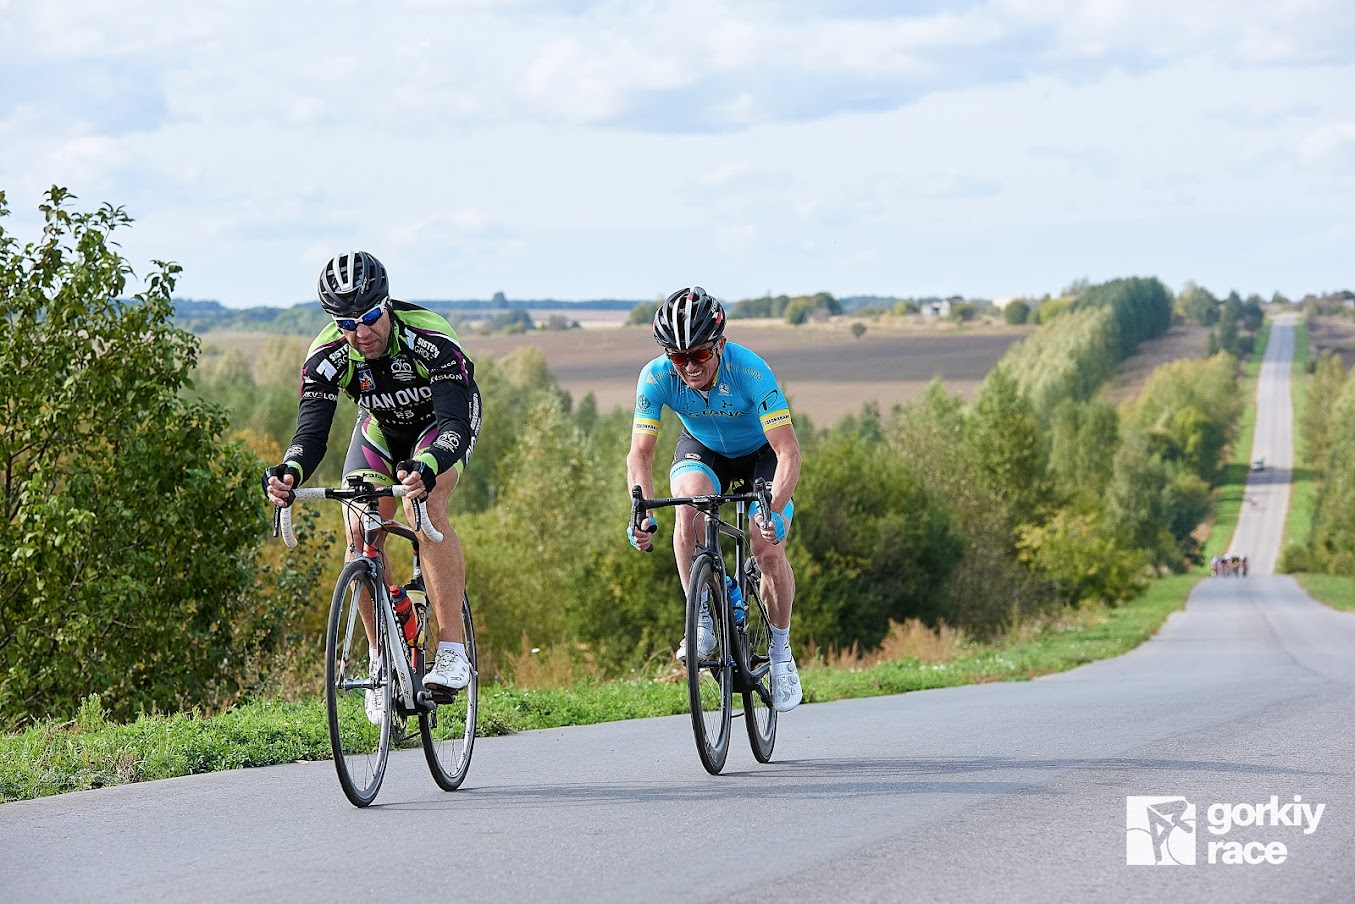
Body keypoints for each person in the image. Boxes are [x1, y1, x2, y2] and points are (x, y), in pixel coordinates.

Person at [263, 251, 481, 721]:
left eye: (369, 317)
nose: (361, 333)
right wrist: (289, 473)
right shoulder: (327, 356)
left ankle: (450, 649)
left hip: (438, 430)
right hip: (380, 428)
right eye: (346, 323)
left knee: (425, 509)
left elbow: (453, 424)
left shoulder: (431, 337)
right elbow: (311, 435)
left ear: (386, 304)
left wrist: (426, 466)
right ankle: (381, 659)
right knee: (360, 531)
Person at [625, 287, 804, 712]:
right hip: (703, 450)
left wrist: (774, 510)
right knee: (687, 510)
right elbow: (641, 453)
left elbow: (788, 452)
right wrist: (640, 511)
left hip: (761, 455)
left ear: (719, 345)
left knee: (766, 550)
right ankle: (702, 617)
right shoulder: (655, 377)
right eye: (677, 357)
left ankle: (781, 654)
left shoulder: (751, 371)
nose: (688, 367)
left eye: (700, 355)